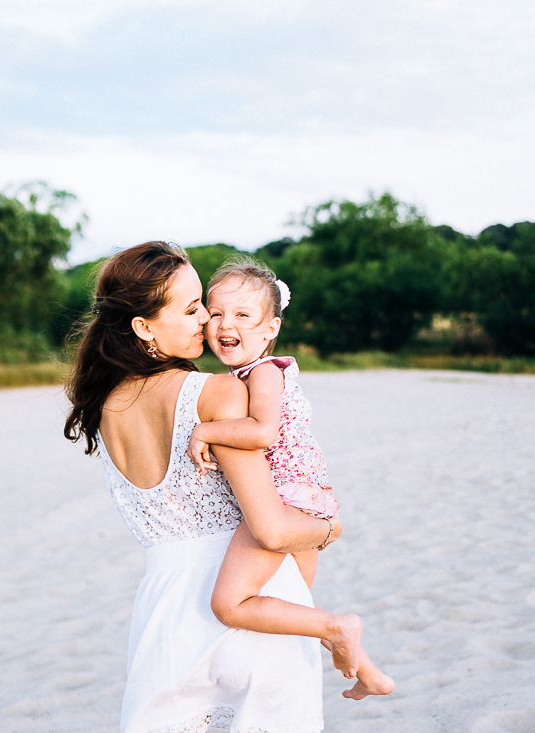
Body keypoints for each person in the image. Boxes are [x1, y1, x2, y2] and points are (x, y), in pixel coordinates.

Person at [64, 241, 338, 733]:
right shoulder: (219, 392)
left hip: (163, 617)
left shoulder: (105, 406)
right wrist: (328, 529)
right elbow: (272, 532)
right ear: (143, 326)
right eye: (194, 310)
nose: (206, 325)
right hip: (248, 606)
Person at [187, 259, 394, 701]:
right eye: (216, 312)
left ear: (270, 329)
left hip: (284, 501)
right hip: (309, 500)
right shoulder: (244, 375)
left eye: (243, 315)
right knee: (293, 605)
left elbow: (261, 433)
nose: (226, 324)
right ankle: (371, 673)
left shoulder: (262, 373)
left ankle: (343, 627)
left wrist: (205, 430)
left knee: (230, 604)